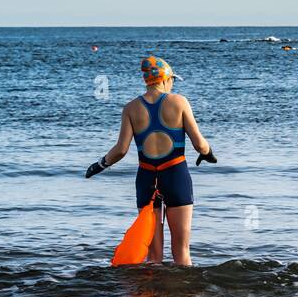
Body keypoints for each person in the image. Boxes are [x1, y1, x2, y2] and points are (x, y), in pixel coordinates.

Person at [85, 55, 216, 265]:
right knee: (181, 251)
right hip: (175, 176)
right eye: (171, 79)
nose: (172, 84)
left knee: (154, 256)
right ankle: (183, 296)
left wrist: (99, 165)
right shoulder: (179, 102)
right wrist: (208, 153)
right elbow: (200, 144)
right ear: (165, 79)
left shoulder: (130, 108)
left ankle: (152, 296)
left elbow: (120, 150)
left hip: (147, 179)